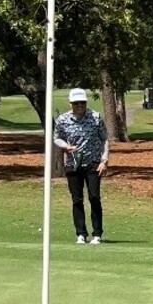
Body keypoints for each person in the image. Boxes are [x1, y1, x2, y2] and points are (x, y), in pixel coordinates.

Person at [54, 87, 109, 244]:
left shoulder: (96, 118)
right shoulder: (63, 120)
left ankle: (97, 234)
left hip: (93, 163)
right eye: (76, 103)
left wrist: (104, 160)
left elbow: (104, 139)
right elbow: (56, 138)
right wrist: (65, 146)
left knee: (94, 197)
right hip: (73, 164)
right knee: (77, 199)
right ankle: (81, 234)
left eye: (83, 103)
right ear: (71, 104)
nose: (80, 106)